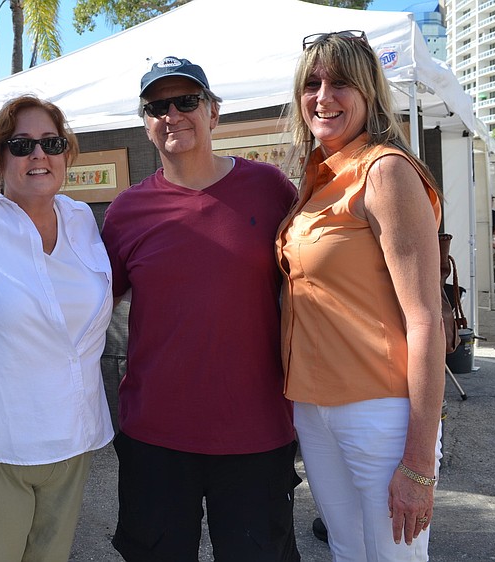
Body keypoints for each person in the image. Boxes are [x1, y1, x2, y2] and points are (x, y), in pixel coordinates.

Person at [101, 56, 301, 561]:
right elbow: (91, 308)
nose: (173, 115)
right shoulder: (127, 211)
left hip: (256, 432)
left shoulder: (271, 189)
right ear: (145, 123)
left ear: (213, 112)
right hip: (156, 435)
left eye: (187, 101)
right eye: (157, 106)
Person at [276, 30, 446, 561]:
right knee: (348, 552)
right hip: (314, 404)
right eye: (312, 83)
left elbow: (426, 321)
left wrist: (419, 462)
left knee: (396, 556)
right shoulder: (319, 180)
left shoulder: (385, 171)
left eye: (341, 82)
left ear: (370, 92)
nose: (323, 96)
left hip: (380, 410)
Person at [0, 95, 114, 562]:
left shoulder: (81, 220)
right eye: (21, 144)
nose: (38, 155)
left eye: (51, 142)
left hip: (73, 440)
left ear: (66, 152)